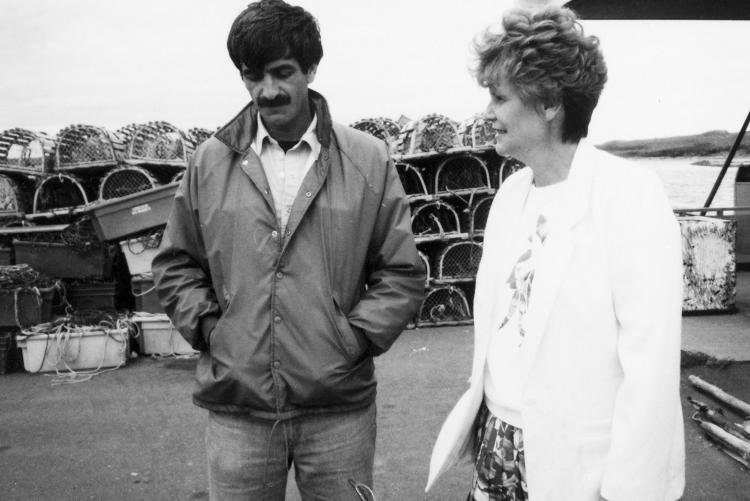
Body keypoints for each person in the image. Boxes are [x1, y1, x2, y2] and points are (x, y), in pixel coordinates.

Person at [151, 1, 425, 499]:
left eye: (282, 73)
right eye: (252, 76)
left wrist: (352, 340)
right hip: (239, 410)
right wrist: (216, 332)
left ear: (311, 68)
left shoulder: (367, 159)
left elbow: (401, 270)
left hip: (338, 408)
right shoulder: (209, 163)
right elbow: (175, 264)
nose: (267, 91)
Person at [427, 6, 684, 501]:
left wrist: (626, 492)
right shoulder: (509, 196)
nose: (487, 113)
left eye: (499, 97)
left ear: (548, 102)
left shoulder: (629, 195)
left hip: (580, 467)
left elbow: (650, 370)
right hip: (498, 447)